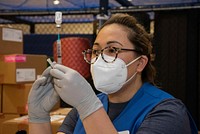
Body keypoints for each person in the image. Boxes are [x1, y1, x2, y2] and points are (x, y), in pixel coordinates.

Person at [28, 13, 198, 134]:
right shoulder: (81, 110)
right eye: (95, 51)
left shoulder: (167, 112)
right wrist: (38, 118)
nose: (100, 59)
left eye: (112, 49)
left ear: (140, 63)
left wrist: (88, 106)